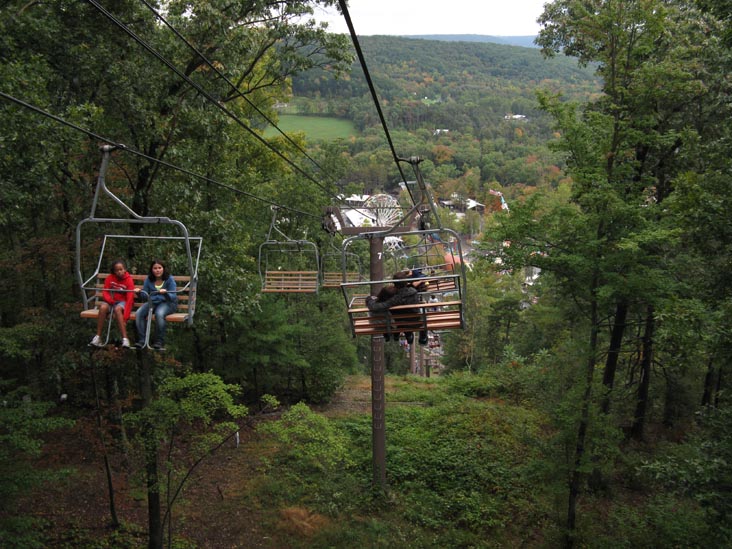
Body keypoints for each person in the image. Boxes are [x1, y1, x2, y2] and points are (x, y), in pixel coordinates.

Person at [365, 270, 428, 345]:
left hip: (400, 324)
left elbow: (376, 307)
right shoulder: (413, 292)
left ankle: (406, 335)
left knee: (400, 317)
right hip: (416, 322)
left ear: (394, 284)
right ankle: (423, 337)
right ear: (406, 282)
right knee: (421, 311)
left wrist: (369, 300)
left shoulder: (395, 298)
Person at [89, 259, 135, 348]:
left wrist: (125, 317)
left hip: (123, 302)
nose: (119, 272)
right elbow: (105, 291)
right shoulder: (110, 278)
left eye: (121, 269)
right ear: (114, 271)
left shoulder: (128, 280)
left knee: (117, 309)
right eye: (117, 270)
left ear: (125, 269)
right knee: (103, 307)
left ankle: (125, 339)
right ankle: (98, 337)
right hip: (111, 301)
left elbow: (130, 298)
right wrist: (110, 300)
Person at [135, 259, 177, 350]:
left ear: (163, 269)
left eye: (159, 268)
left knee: (159, 313)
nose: (157, 270)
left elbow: (173, 296)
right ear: (152, 270)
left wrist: (166, 293)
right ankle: (142, 340)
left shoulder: (169, 279)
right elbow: (144, 296)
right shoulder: (149, 280)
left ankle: (159, 341)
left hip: (167, 303)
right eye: (155, 268)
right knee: (139, 313)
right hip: (153, 302)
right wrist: (138, 292)